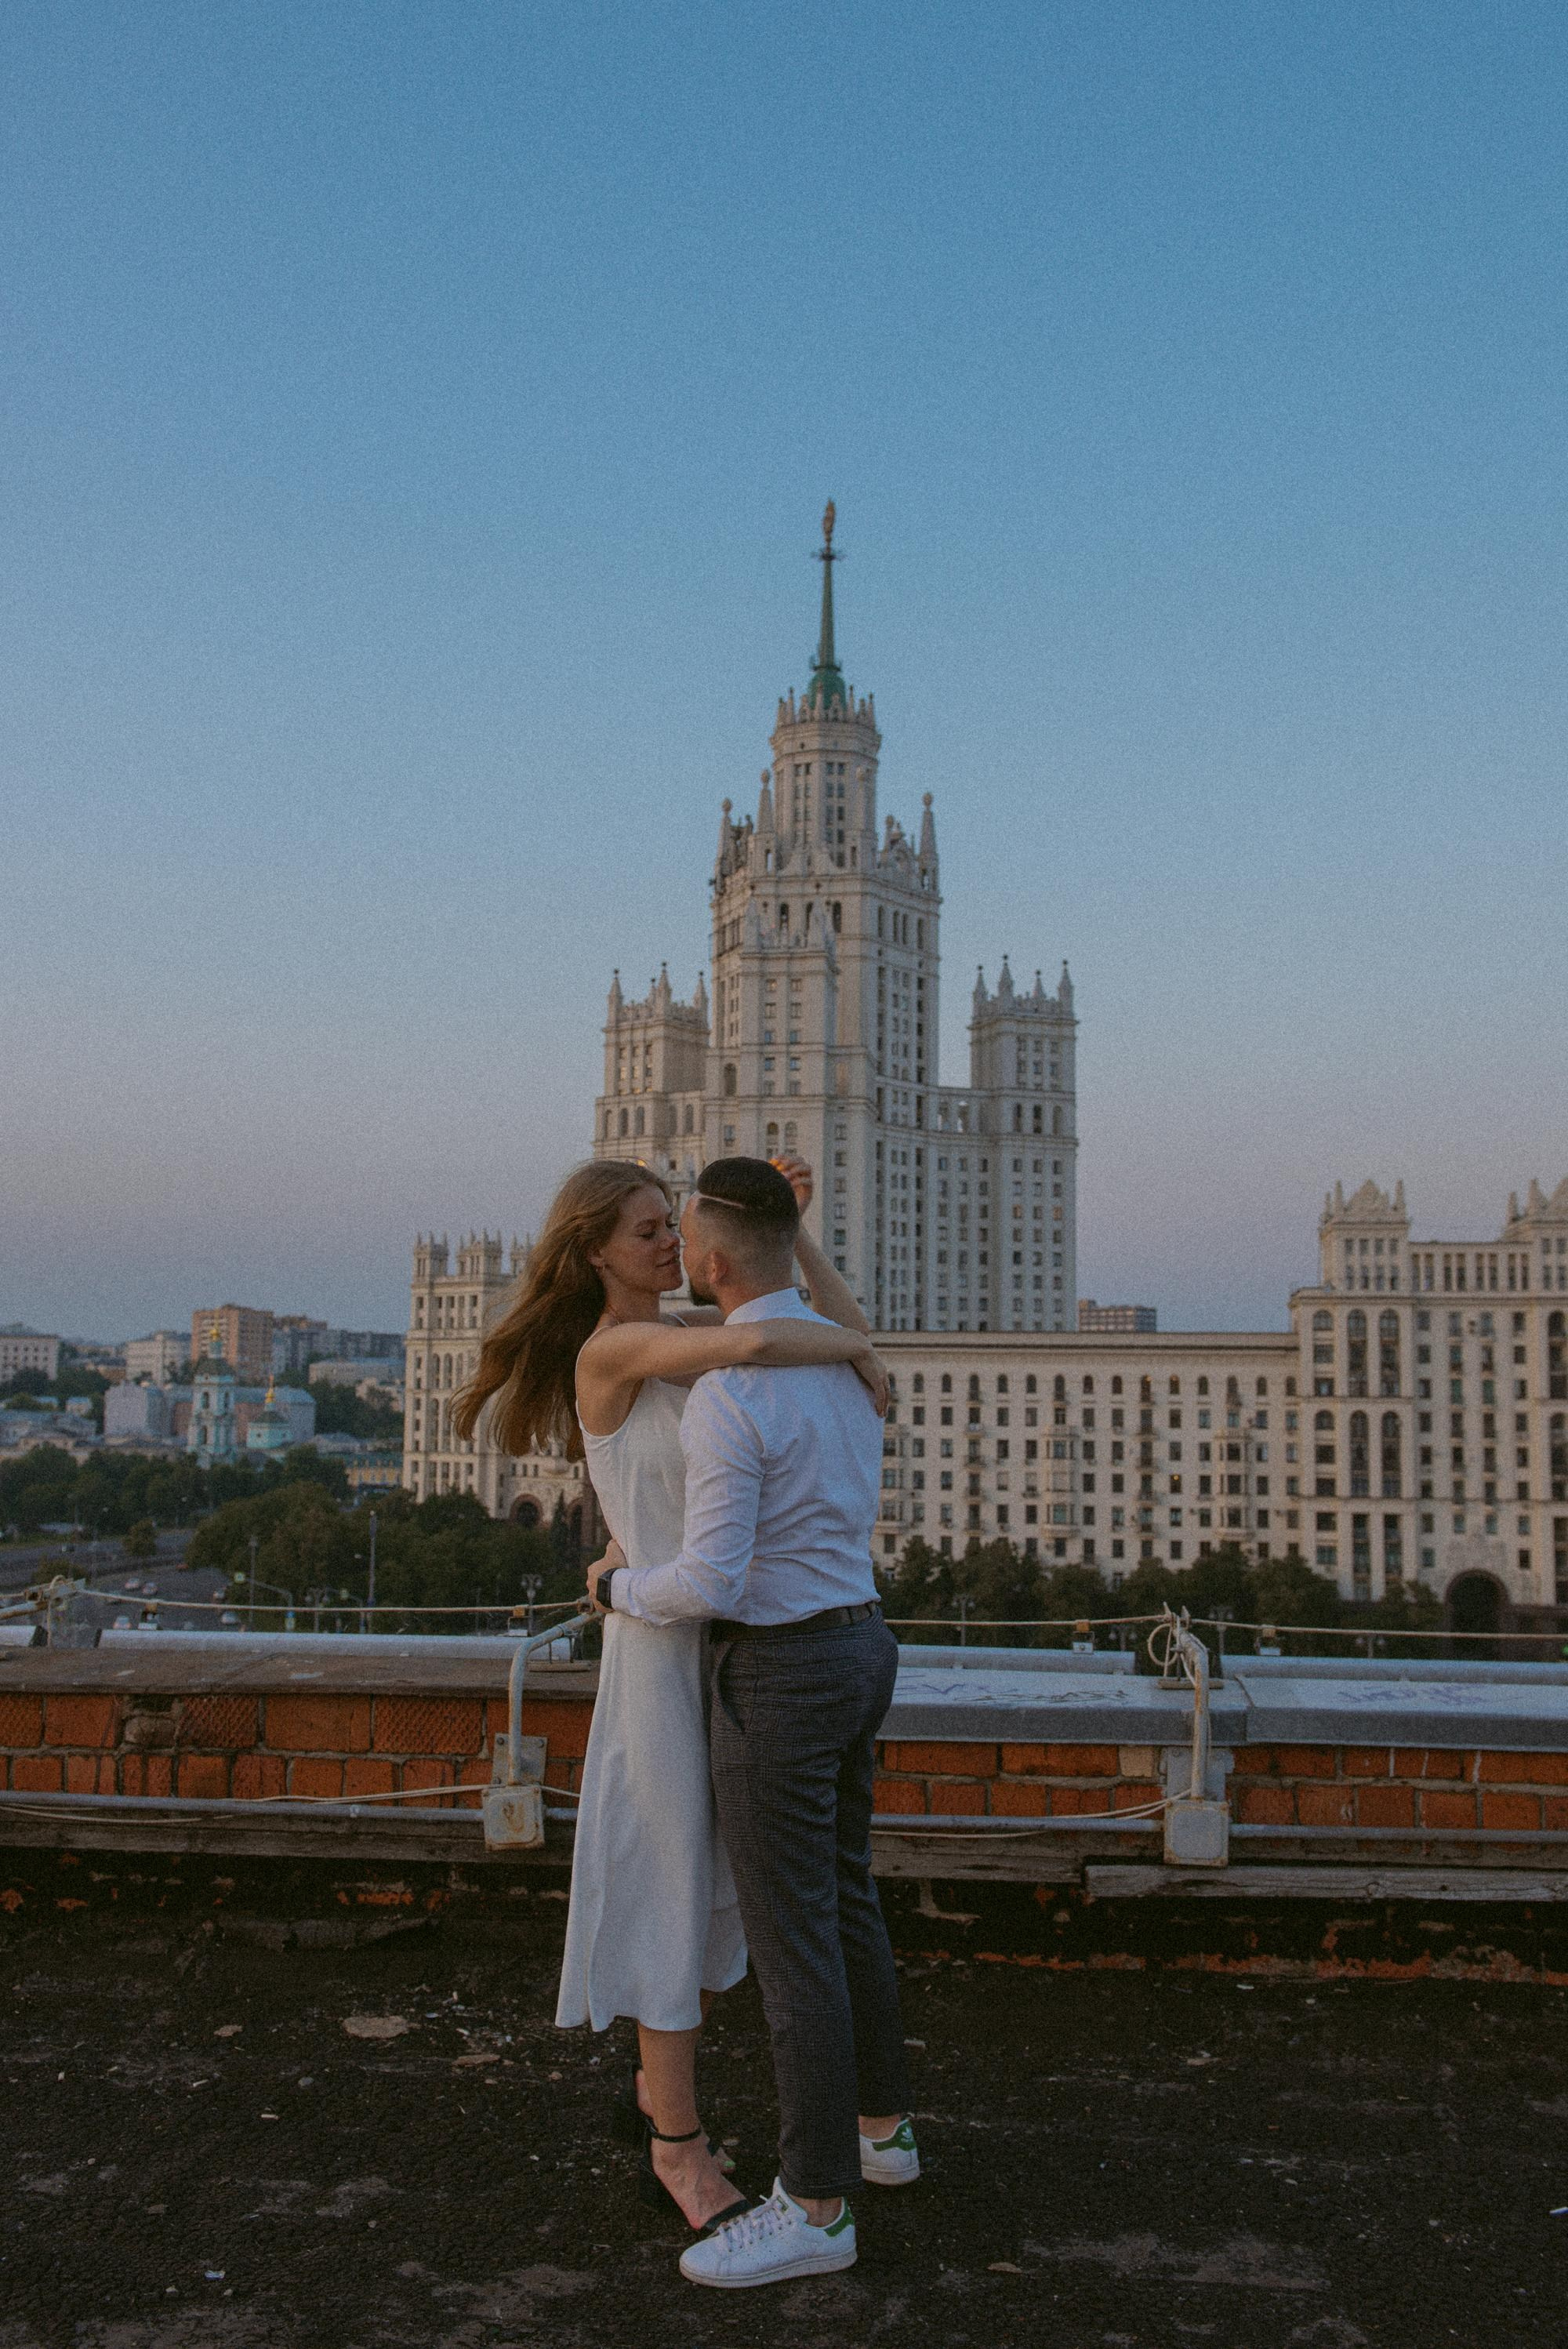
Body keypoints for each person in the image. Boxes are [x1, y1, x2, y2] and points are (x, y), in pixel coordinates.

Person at [455, 1155, 886, 2238]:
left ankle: (664, 2097)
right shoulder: (618, 1349)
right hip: (660, 1643)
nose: (664, 1243)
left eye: (671, 1226)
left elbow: (782, 1309)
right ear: (594, 1249)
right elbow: (757, 1340)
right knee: (669, 1885)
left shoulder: (687, 1323)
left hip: (731, 1637)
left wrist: (797, 1233)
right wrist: (859, 1355)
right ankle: (676, 2146)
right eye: (645, 1229)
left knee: (723, 1897)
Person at [590, 1156, 917, 2292]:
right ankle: (885, 2135)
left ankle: (816, 2207)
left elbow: (712, 1582)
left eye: (683, 1235)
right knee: (847, 1900)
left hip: (778, 1672)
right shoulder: (849, 1370)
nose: (676, 1250)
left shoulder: (736, 1395)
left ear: (712, 1261)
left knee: (794, 1949)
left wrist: (617, 1590)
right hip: (864, 1645)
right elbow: (838, 1331)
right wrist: (796, 1235)